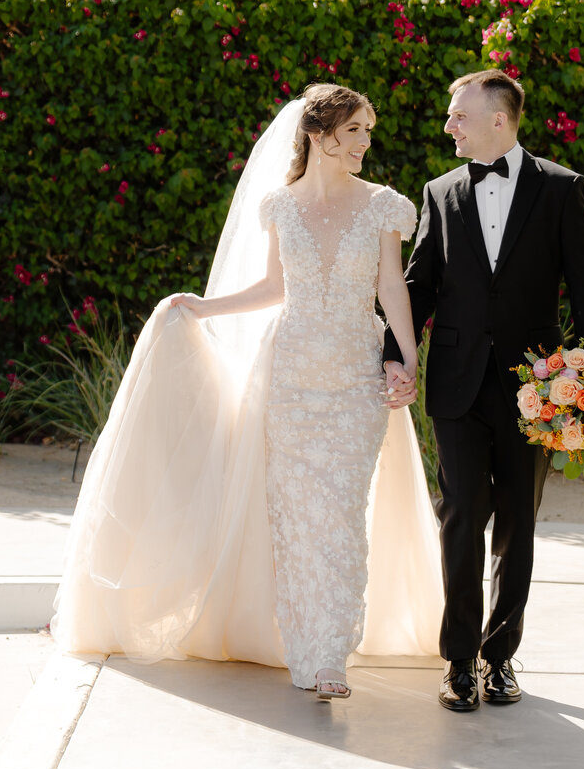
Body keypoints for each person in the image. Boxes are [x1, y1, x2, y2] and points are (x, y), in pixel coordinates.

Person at [52, 84, 442, 700]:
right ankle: (308, 653)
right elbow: (273, 287)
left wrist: (406, 360)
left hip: (354, 380)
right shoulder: (280, 206)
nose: (368, 142)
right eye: (357, 131)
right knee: (295, 517)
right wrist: (204, 307)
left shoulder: (384, 206)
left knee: (339, 516)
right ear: (320, 134)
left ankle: (331, 654)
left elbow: (393, 288)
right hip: (288, 381)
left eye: (369, 131)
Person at [384, 68, 584, 712]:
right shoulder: (439, 191)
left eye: (458, 114)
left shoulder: (561, 190)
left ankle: (500, 658)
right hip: (456, 385)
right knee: (461, 518)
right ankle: (459, 660)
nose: (449, 124)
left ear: (499, 118)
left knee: (518, 522)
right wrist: (394, 355)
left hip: (533, 391)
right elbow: (419, 283)